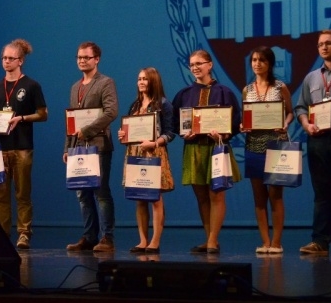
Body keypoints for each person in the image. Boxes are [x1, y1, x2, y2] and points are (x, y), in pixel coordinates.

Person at [172, 49, 241, 254]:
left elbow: (235, 121)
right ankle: (209, 237)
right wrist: (184, 133)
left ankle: (213, 240)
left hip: (216, 148)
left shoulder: (224, 92)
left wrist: (224, 134)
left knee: (216, 194)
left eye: (199, 63)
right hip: (194, 149)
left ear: (210, 65)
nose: (195, 68)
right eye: (192, 64)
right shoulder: (184, 94)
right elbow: (175, 122)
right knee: (201, 197)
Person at [0, 39, 48, 250]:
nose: (6, 61)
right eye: (4, 58)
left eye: (11, 58)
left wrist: (21, 118)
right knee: (1, 195)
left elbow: (43, 114)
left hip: (22, 147)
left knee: (22, 194)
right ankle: (2, 235)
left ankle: (23, 234)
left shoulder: (31, 85)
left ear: (20, 61)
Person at [64, 41, 118, 253]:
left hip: (99, 146)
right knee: (82, 194)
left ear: (97, 59)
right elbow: (71, 120)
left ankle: (107, 238)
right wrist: (67, 147)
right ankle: (89, 237)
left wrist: (87, 130)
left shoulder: (105, 82)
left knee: (100, 192)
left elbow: (111, 112)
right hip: (78, 147)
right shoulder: (75, 87)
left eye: (86, 57)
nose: (82, 61)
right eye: (79, 57)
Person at [241, 46, 294, 254]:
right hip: (253, 145)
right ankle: (265, 242)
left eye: (261, 60)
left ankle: (276, 242)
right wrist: (243, 126)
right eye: (254, 60)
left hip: (275, 144)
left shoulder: (280, 87)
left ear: (270, 63)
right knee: (259, 197)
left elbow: (290, 113)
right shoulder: (247, 90)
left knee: (275, 195)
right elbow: (246, 116)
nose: (257, 64)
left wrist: (285, 124)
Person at [117, 67, 176, 254]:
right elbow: (129, 130)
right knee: (139, 198)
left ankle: (155, 242)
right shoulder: (135, 105)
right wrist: (123, 135)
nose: (141, 82)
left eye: (145, 79)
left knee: (155, 198)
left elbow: (170, 133)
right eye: (139, 79)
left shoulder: (164, 104)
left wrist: (155, 142)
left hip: (154, 152)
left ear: (153, 81)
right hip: (135, 152)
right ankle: (142, 240)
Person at [295, 30, 331, 256]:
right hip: (318, 140)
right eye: (320, 44)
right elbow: (301, 107)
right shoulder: (311, 78)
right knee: (322, 193)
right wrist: (306, 124)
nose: (324, 47)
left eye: (328, 43)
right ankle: (320, 242)